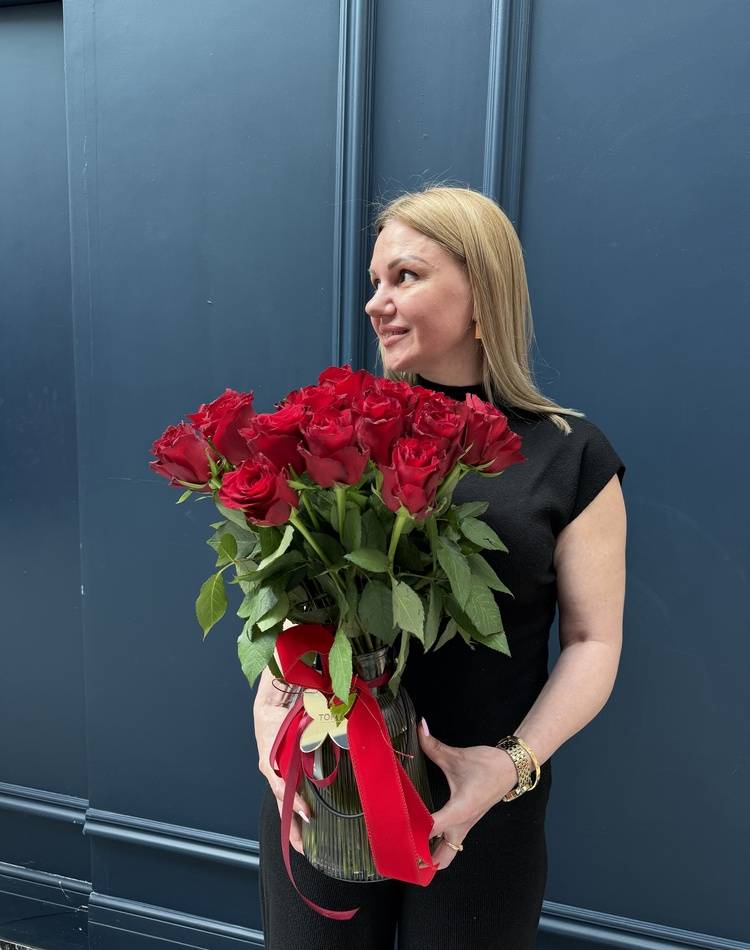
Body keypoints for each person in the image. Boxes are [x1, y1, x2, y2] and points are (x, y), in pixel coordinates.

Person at [255, 185, 627, 949]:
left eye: (405, 277)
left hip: (487, 804)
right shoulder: (342, 432)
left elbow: (595, 642)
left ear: (482, 292)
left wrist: (509, 767)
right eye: (374, 281)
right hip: (329, 783)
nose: (375, 303)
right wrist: (271, 721)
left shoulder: (571, 454)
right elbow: (299, 605)